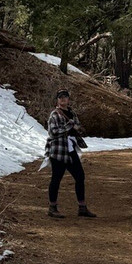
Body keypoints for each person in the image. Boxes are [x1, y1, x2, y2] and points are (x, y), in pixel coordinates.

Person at [45, 88, 96, 218]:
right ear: (57, 100)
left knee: (80, 176)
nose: (63, 99)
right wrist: (70, 126)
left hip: (71, 149)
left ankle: (82, 207)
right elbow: (53, 132)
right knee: (56, 179)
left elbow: (78, 126)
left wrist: (76, 128)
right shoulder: (54, 115)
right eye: (60, 97)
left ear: (68, 99)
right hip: (58, 151)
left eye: (65, 97)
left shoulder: (72, 113)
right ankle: (52, 208)